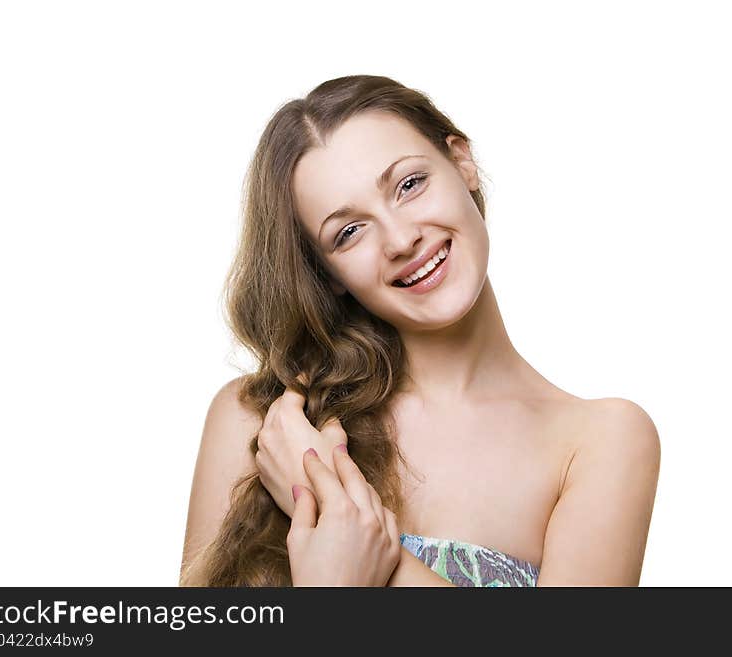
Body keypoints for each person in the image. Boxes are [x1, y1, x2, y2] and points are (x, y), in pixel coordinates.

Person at [179, 75, 661, 587]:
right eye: (348, 232)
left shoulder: (600, 441)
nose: (402, 239)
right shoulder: (263, 426)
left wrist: (336, 510)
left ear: (462, 162)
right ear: (329, 276)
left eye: (409, 185)